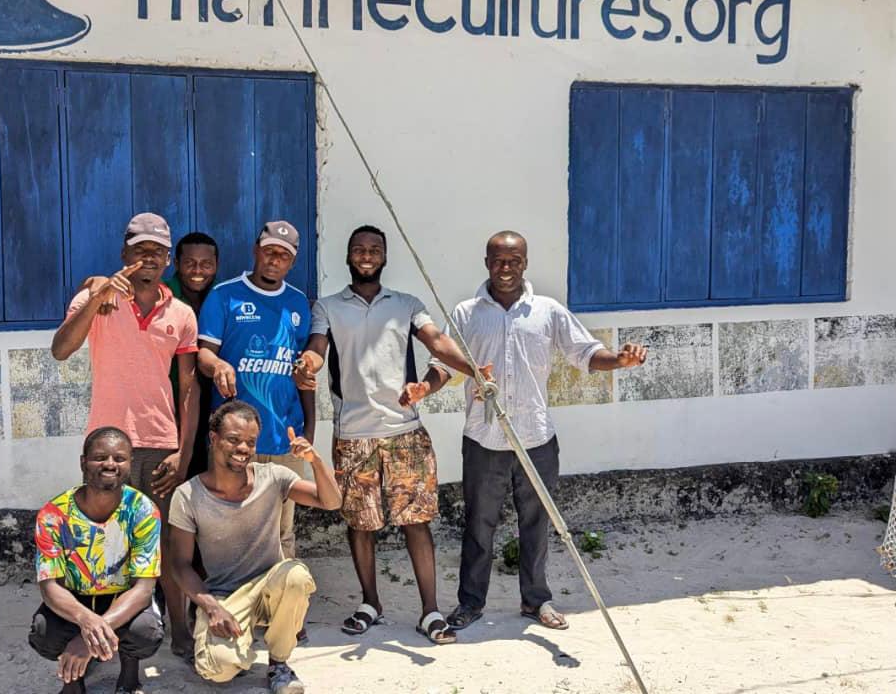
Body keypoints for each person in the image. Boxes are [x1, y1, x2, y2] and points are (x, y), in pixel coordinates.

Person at [294, 225, 491, 645]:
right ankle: (370, 603)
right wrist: (308, 363)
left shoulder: (407, 304)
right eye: (359, 249)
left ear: (384, 257)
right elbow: (316, 347)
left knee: (416, 523)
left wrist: (474, 370)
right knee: (360, 524)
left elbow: (436, 342)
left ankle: (429, 612)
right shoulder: (327, 307)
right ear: (347, 257)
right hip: (353, 436)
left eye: (374, 250)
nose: (366, 255)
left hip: (406, 433)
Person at [444, 231, 647, 634]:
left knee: (536, 523)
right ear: (486, 262)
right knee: (478, 524)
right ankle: (470, 603)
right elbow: (447, 364)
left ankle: (536, 601)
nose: (506, 268)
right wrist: (423, 384)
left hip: (536, 438)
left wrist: (619, 360)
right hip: (484, 439)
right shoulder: (466, 313)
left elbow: (586, 353)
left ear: (525, 263)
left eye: (514, 260)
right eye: (499, 260)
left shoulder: (547, 311)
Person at [51, 212, 200, 653]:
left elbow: (188, 389)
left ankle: (179, 634)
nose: (148, 258)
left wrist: (183, 452)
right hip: (107, 446)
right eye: (140, 250)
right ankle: (101, 634)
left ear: (168, 260)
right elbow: (61, 349)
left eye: (157, 251)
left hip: (159, 444)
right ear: (124, 255)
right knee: (102, 544)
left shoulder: (181, 313)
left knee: (168, 545)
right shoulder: (98, 297)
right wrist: (97, 295)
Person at [169, 400, 342, 693]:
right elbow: (180, 564)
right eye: (233, 440)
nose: (243, 449)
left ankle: (279, 663)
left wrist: (315, 460)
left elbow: (331, 501)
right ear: (214, 439)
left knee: (296, 576)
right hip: (225, 595)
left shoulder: (274, 476)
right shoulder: (187, 495)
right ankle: (236, 646)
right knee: (218, 670)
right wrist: (211, 607)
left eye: (250, 442)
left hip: (270, 587)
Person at [196, 220, 314, 560]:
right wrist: (218, 365)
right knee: (227, 530)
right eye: (269, 252)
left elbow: (302, 372)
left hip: (283, 440)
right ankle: (230, 607)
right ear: (256, 251)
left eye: (283, 255)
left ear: (292, 262)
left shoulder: (297, 303)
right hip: (233, 440)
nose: (274, 260)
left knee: (282, 532)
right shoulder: (225, 296)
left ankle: (280, 609)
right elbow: (203, 352)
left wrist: (309, 430)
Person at [29, 427, 164, 694]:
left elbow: (143, 589)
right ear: (83, 462)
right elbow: (49, 586)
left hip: (122, 598)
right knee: (43, 632)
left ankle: (129, 672)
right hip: (75, 598)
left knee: (145, 632)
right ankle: (72, 679)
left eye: (119, 458)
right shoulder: (54, 514)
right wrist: (85, 622)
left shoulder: (143, 510)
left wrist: (85, 639)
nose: (110, 464)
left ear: (130, 464)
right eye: (100, 457)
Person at [163, 232, 220, 480]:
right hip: (173, 405)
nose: (198, 270)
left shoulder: (224, 298)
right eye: (190, 263)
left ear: (216, 265)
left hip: (213, 404)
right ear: (176, 264)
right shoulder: (161, 296)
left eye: (206, 264)